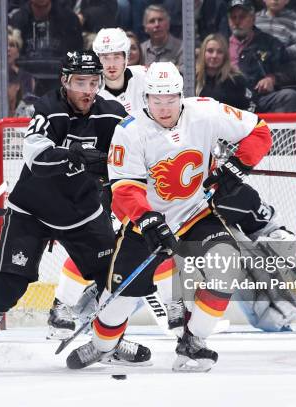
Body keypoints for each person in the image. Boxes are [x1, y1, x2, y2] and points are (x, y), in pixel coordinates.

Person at [0, 50, 151, 369]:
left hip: (83, 214)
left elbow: (137, 155)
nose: (88, 90)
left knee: (118, 280)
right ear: (65, 81)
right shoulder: (49, 109)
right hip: (31, 211)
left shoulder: (112, 114)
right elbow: (37, 159)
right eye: (81, 82)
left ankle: (110, 342)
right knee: (7, 284)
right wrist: (76, 155)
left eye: (94, 82)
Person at [65, 61, 272, 372]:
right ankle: (102, 344)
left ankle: (193, 342)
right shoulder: (130, 132)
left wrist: (238, 165)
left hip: (196, 214)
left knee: (226, 265)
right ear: (146, 98)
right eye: (156, 100)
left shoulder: (206, 111)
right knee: (120, 299)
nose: (164, 108)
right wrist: (148, 220)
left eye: (171, 100)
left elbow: (259, 130)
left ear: (181, 95)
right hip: (145, 226)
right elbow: (123, 189)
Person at [47, 28, 184, 340]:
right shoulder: (88, 89)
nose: (110, 63)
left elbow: (174, 104)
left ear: (128, 56)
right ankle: (62, 305)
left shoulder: (146, 78)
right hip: (108, 179)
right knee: (101, 241)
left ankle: (174, 304)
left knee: (158, 236)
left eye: (116, 56)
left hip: (150, 174)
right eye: (104, 57)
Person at [227, 0, 296, 113]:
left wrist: (272, 79)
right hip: (227, 100)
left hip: (259, 98)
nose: (237, 22)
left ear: (253, 19)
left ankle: (272, 131)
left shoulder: (270, 43)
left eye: (242, 17)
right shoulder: (220, 45)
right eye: (233, 17)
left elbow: (291, 71)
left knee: (289, 96)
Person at [255, 0, 296, 86]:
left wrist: (284, 53)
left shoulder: (294, 19)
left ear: (287, 1)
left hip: (283, 70)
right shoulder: (255, 19)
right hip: (256, 68)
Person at [195, 33, 255, 111]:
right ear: (203, 53)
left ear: (225, 56)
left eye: (219, 52)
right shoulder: (191, 79)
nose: (214, 56)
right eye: (210, 51)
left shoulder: (237, 81)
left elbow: (251, 107)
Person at [139, 4, 182, 69]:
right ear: (145, 28)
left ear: (168, 24)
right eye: (152, 21)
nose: (157, 25)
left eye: (160, 20)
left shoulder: (182, 48)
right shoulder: (141, 50)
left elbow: (185, 73)